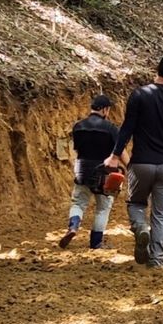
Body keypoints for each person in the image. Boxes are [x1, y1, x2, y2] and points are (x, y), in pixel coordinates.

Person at [104, 54, 163, 268]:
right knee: (162, 215)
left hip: (141, 162)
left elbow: (127, 128)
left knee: (135, 203)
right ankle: (157, 260)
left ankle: (141, 228)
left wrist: (116, 156)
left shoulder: (139, 95)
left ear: (157, 68)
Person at [59, 94, 119, 250]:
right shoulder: (111, 128)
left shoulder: (78, 126)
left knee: (78, 203)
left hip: (82, 169)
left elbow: (77, 149)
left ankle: (73, 226)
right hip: (103, 172)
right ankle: (96, 242)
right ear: (105, 109)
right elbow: (117, 152)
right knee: (103, 208)